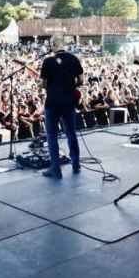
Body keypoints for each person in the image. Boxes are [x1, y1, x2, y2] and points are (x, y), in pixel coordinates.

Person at [38, 34, 83, 178]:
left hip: (52, 103)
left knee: (52, 136)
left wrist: (50, 85)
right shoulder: (74, 59)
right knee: (71, 133)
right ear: (63, 45)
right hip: (69, 102)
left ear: (53, 45)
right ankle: (76, 165)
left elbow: (44, 84)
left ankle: (55, 169)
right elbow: (81, 80)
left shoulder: (48, 61)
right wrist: (69, 85)